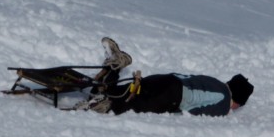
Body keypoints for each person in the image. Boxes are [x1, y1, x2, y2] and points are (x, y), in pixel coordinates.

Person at [88, 38, 254, 116]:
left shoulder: (215, 83)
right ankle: (103, 105)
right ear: (237, 101)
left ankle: (113, 68)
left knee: (127, 91)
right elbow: (198, 112)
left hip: (168, 80)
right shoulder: (224, 101)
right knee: (132, 106)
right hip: (172, 96)